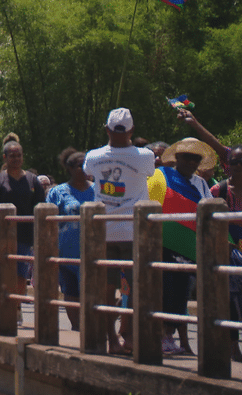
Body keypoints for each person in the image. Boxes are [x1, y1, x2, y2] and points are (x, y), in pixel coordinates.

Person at [83, 107, 155, 354]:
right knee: (136, 286)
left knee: (106, 288)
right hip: (134, 231)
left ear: (107, 130)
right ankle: (131, 337)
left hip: (104, 231)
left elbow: (87, 174)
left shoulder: (93, 157)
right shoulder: (145, 157)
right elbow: (149, 174)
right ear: (132, 131)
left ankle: (112, 340)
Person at [178, 109, 242, 360]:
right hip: (226, 252)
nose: (235, 166)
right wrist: (194, 124)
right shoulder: (218, 191)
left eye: (240, 163)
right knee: (229, 296)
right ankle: (231, 344)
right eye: (233, 162)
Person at [148, 138, 216, 354]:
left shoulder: (201, 184)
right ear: (177, 158)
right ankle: (161, 336)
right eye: (187, 157)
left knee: (181, 293)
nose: (191, 162)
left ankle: (170, 336)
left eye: (195, 158)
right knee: (163, 290)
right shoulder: (160, 176)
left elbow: (208, 211)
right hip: (163, 243)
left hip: (190, 245)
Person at [0, 139, 45, 324]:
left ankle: (16, 306)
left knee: (20, 273)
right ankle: (2, 304)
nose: (16, 159)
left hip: (25, 235)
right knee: (0, 271)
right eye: (12, 156)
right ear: (5, 157)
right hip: (0, 235)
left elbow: (40, 208)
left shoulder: (33, 181)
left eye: (19, 155)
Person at [46, 147, 94, 331]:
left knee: (92, 292)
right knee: (71, 291)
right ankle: (76, 329)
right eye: (80, 166)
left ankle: (91, 328)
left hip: (92, 253)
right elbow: (48, 222)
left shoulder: (98, 190)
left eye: (86, 165)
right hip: (66, 253)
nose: (84, 169)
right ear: (70, 169)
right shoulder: (58, 192)